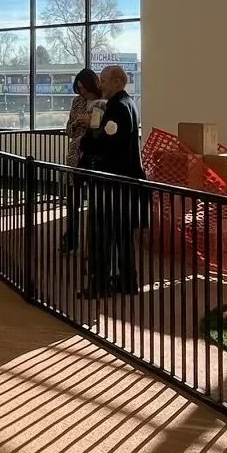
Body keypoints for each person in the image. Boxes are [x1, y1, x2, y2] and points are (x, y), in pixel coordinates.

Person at [82, 64, 146, 297]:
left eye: (104, 81)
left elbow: (104, 144)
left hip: (109, 181)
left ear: (118, 81)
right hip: (126, 182)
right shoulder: (130, 104)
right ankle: (128, 281)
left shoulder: (116, 108)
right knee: (122, 235)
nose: (101, 85)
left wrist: (88, 137)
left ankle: (99, 285)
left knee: (101, 236)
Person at [60, 68, 100, 254]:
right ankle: (71, 238)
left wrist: (92, 123)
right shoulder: (77, 102)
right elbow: (68, 130)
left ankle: (93, 242)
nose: (82, 91)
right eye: (79, 88)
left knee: (96, 202)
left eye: (84, 88)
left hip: (94, 157)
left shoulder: (103, 103)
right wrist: (77, 123)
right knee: (72, 200)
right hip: (76, 155)